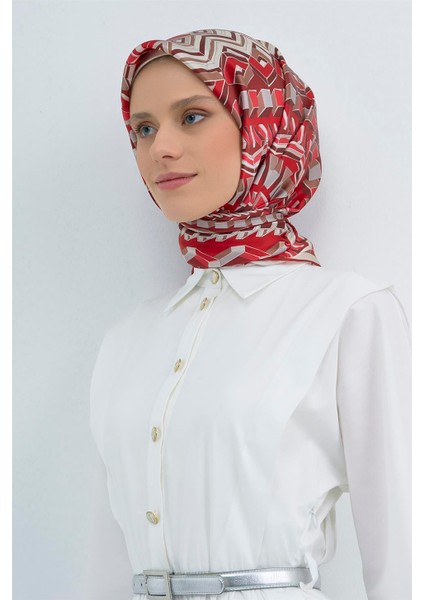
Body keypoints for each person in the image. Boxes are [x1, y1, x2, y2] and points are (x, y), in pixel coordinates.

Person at [86, 29, 411, 600]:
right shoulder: (126, 338)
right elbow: (103, 559)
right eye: (143, 128)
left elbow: (406, 557)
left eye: (191, 116)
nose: (160, 147)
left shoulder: (349, 313)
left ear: (263, 124)